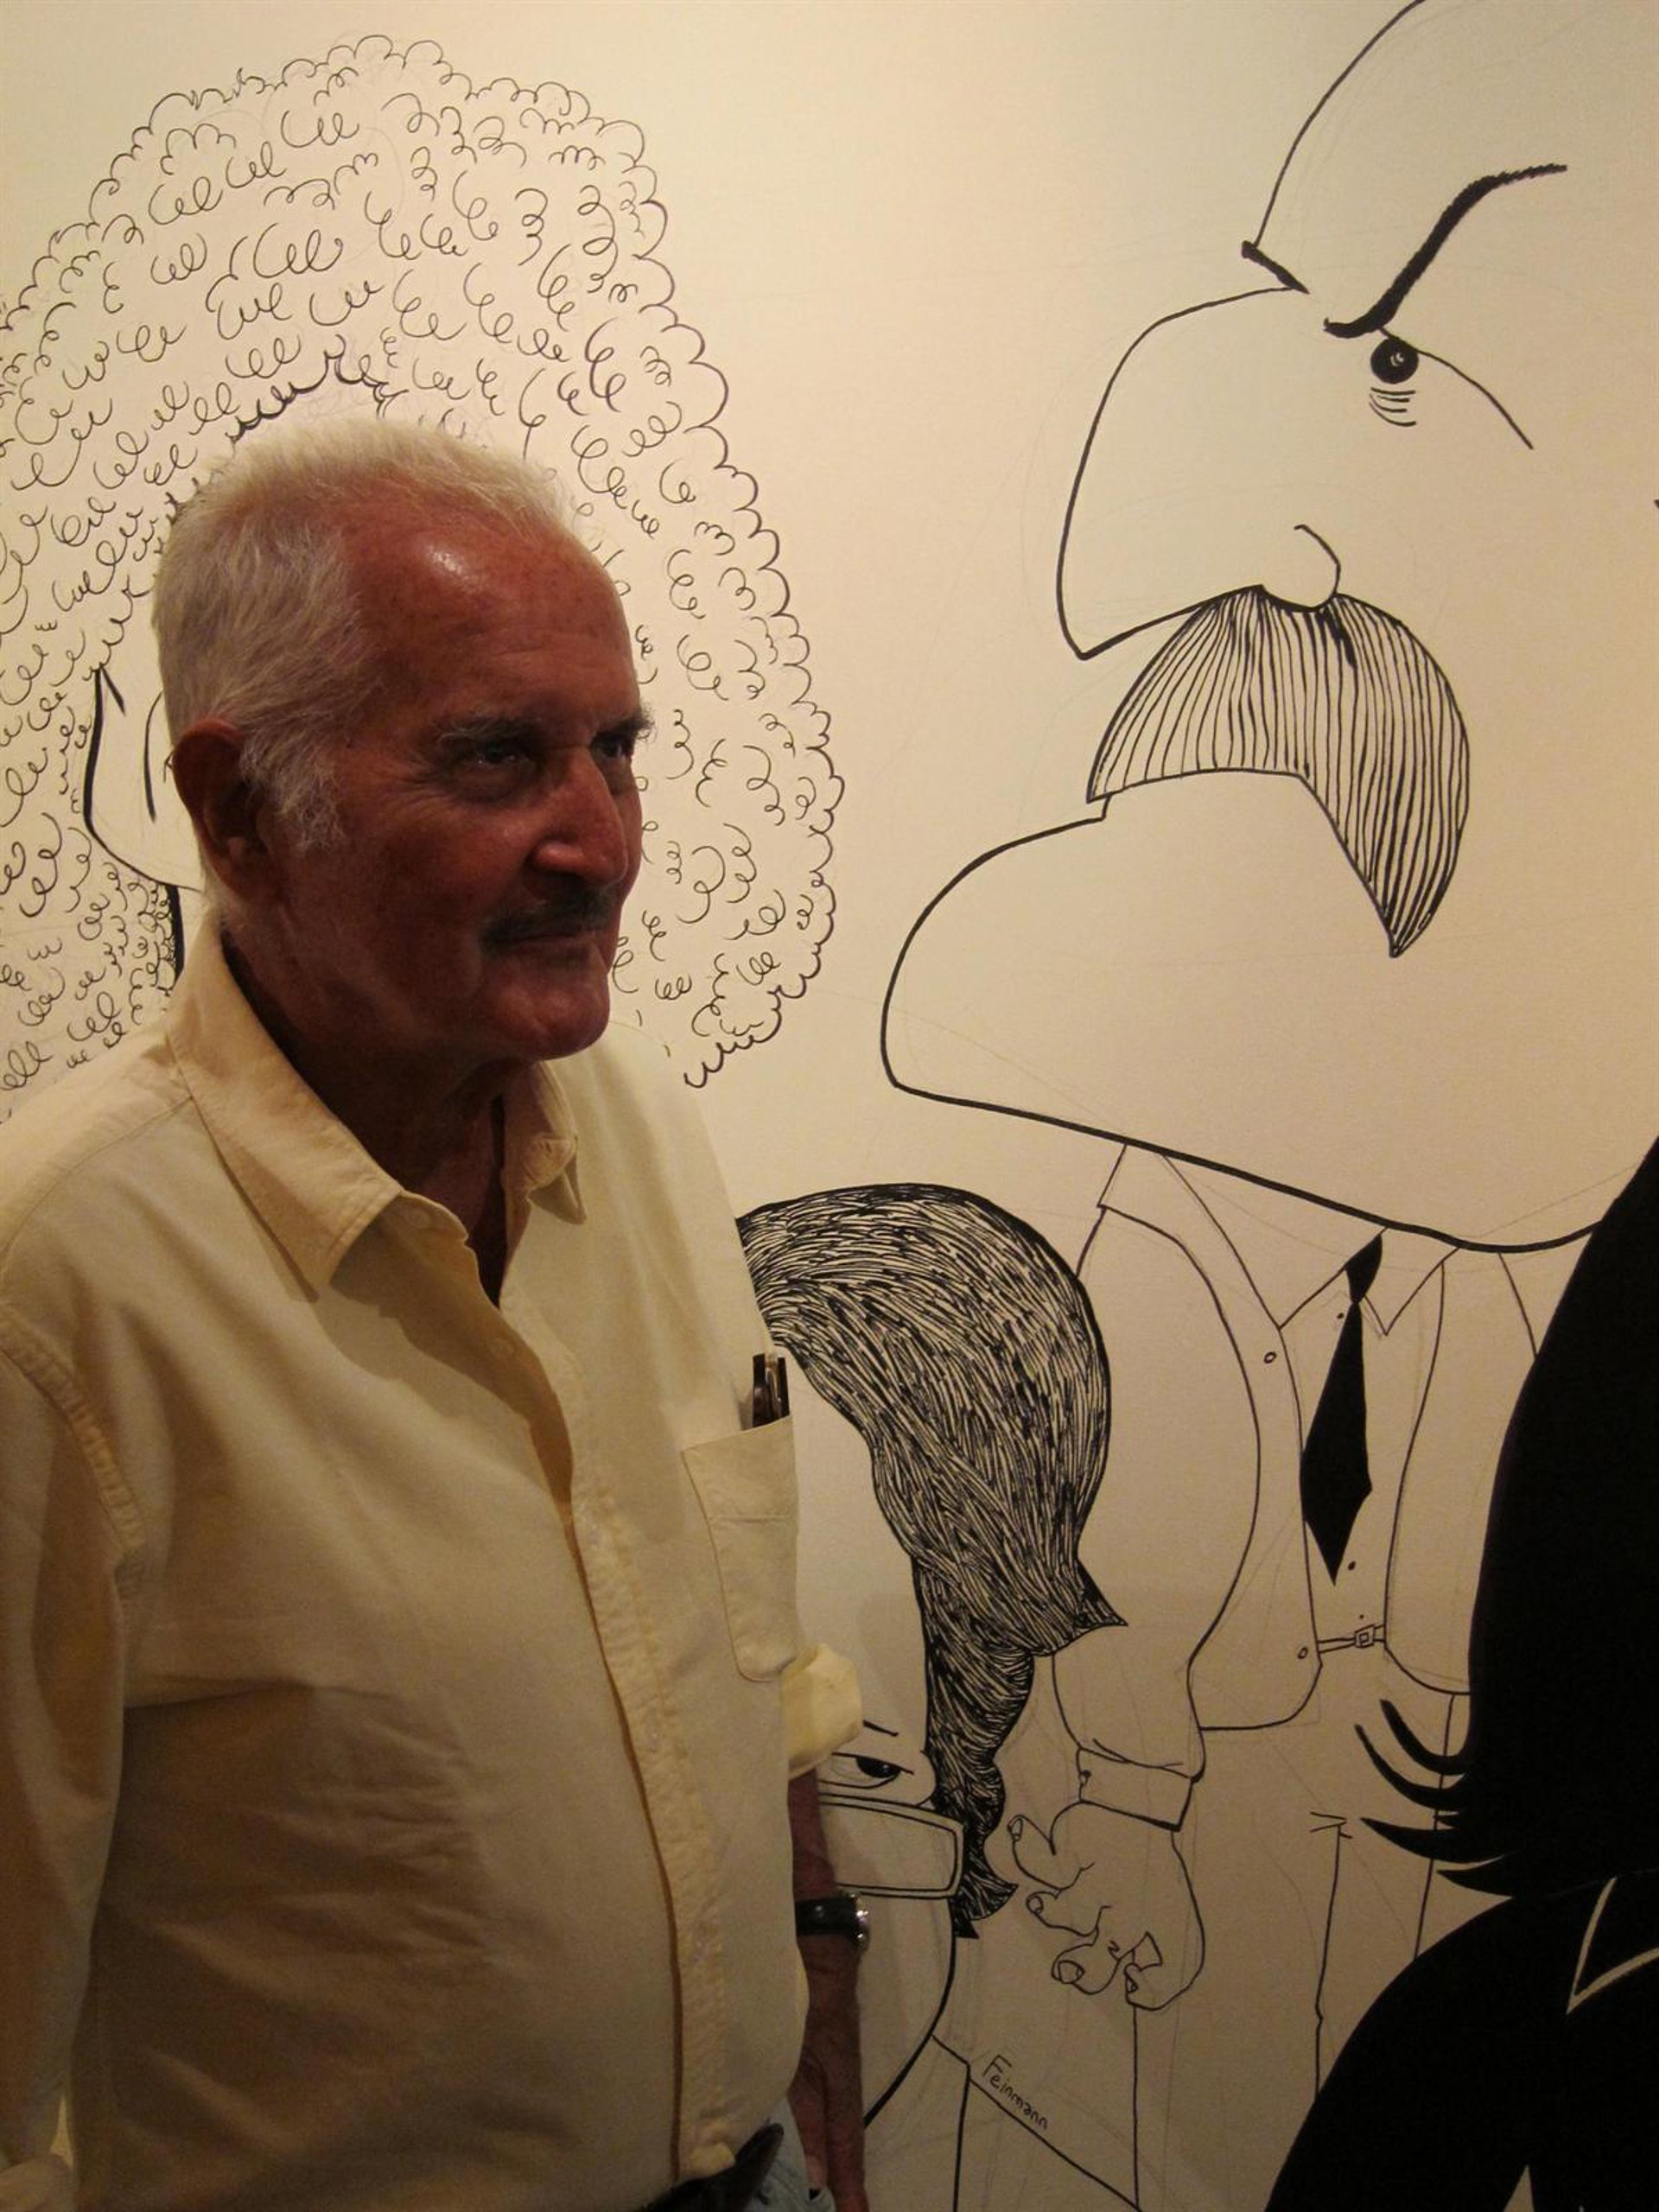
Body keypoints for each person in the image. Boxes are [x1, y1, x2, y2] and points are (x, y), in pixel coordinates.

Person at [883, 1, 1656, 2204]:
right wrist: (1128, 1801)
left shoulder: (1482, 1263)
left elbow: (1497, 1575)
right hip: (1157, 1841)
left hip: (1394, 1834)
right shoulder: (1142, 1256)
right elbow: (1133, 1559)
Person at [0, 419, 864, 2212]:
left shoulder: (637, 1131)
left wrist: (819, 2029)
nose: (600, 841)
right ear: (240, 808)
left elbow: (743, 1673)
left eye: (616, 750)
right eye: (496, 759)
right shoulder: (57, 1290)